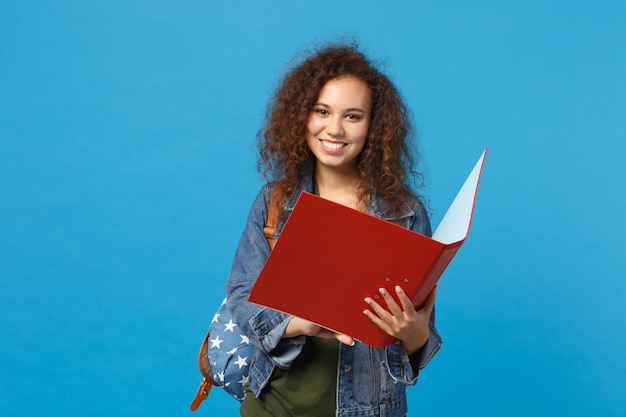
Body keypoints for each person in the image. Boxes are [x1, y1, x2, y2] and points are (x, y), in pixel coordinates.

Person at [226, 42, 442, 417]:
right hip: (273, 407)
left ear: (374, 125)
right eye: (322, 111)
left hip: (372, 409)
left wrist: (416, 333)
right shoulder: (274, 201)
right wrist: (300, 323)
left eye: (353, 116)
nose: (335, 128)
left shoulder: (405, 215)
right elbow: (242, 297)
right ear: (301, 117)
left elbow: (419, 340)